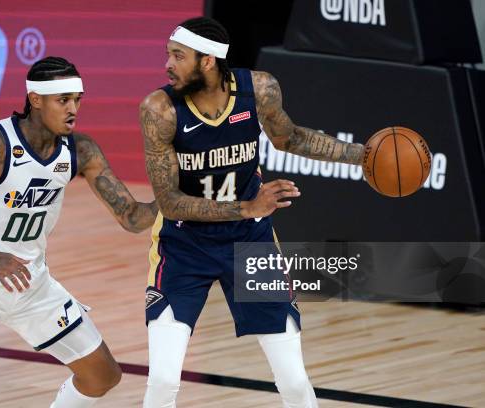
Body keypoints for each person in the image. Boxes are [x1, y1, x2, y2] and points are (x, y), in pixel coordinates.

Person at [139, 17, 365, 407]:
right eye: (168, 55)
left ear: (208, 61)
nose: (167, 65)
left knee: (293, 380)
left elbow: (288, 136)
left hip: (250, 244)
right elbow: (171, 201)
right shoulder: (160, 109)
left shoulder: (258, 88)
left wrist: (363, 156)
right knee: (161, 381)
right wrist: (249, 206)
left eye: (178, 56)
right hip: (183, 246)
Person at [0, 56, 157, 408]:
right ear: (36, 99)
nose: (73, 109)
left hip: (32, 284)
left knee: (103, 376)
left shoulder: (80, 150)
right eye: (64, 100)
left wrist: (172, 194)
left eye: (78, 99)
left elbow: (132, 218)